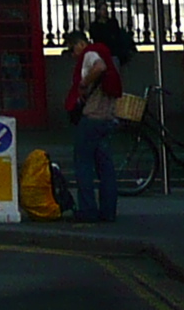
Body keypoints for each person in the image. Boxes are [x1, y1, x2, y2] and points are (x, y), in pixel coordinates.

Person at [63, 15, 123, 224]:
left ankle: (87, 210)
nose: (73, 55)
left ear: (81, 43)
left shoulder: (90, 54)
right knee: (105, 166)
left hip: (92, 117)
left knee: (83, 163)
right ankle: (108, 211)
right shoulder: (104, 53)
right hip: (107, 117)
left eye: (72, 49)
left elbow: (99, 68)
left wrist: (83, 83)